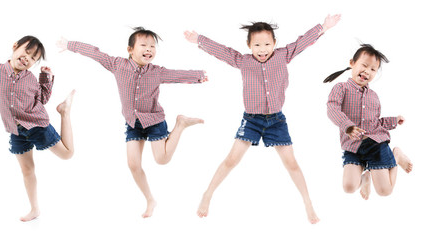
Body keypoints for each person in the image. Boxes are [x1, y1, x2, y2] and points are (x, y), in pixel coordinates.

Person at [184, 14, 341, 224]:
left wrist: (324, 27)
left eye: (267, 44)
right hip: (251, 120)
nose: (262, 49)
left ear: (274, 44)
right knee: (231, 160)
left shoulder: (283, 55)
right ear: (249, 45)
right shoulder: (243, 61)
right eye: (257, 44)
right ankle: (208, 194)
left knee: (292, 164)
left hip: (276, 120)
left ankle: (308, 203)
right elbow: (222, 51)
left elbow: (302, 42)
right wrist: (199, 40)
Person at [57, 27, 208, 218]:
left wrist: (199, 76)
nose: (149, 49)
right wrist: (70, 45)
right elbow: (96, 53)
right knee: (133, 164)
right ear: (130, 50)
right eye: (144, 45)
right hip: (132, 122)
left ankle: (180, 124)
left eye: (153, 46)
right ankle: (150, 200)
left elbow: (176, 74)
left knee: (162, 160)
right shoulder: (117, 65)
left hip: (153, 120)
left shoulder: (156, 72)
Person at [0, 35, 76, 222]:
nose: (28, 59)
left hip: (36, 125)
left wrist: (46, 78)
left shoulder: (31, 79)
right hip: (15, 130)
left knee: (67, 154)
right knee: (27, 170)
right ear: (15, 47)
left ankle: (64, 112)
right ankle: (35, 209)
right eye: (26, 52)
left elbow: (41, 99)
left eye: (33, 58)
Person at [325, 44, 412, 200]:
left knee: (385, 191)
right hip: (353, 147)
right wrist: (348, 126)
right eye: (364, 65)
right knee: (349, 187)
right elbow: (332, 109)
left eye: (373, 69)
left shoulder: (374, 96)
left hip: (376, 146)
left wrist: (394, 120)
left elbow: (376, 123)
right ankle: (365, 177)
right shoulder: (341, 88)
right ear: (352, 63)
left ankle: (396, 157)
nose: (367, 71)